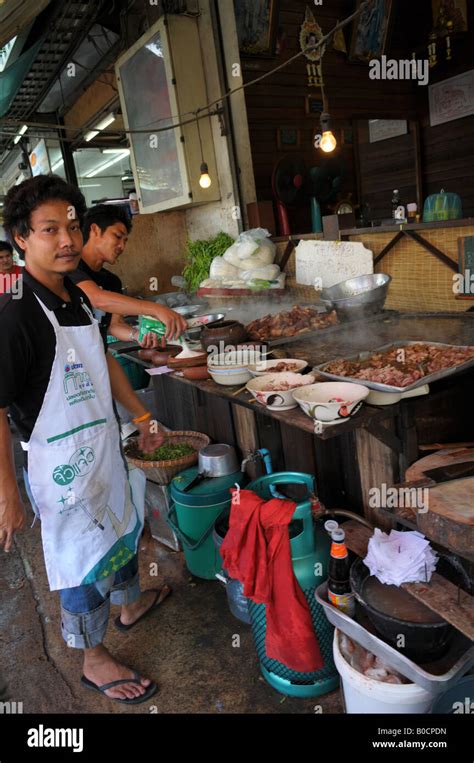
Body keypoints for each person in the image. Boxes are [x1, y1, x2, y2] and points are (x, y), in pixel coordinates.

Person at [0, 175, 172, 705]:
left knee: (120, 535)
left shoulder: (75, 295)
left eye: (72, 226)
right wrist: (6, 492)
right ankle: (93, 659)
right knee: (80, 558)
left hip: (101, 446)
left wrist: (143, 416)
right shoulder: (16, 314)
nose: (67, 239)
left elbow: (100, 365)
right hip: (60, 466)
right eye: (49, 229)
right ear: (21, 238)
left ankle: (127, 608)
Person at [68, 204, 187, 346]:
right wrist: (157, 309)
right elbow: (97, 299)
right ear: (95, 230)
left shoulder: (112, 282)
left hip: (97, 354)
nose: (122, 247)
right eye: (117, 237)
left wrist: (138, 335)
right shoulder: (72, 267)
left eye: (125, 241)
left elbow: (114, 325)